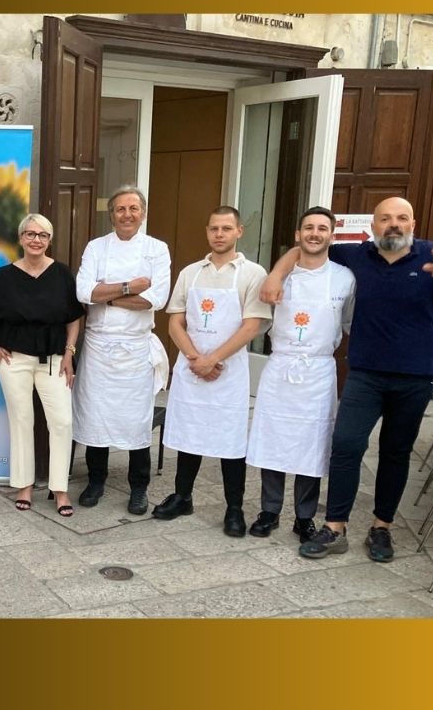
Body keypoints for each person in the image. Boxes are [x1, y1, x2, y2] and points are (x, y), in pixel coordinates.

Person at [262, 197, 433, 562]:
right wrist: (276, 275)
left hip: (416, 373)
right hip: (365, 373)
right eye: (385, 218)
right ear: (373, 226)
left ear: (413, 224)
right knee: (345, 445)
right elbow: (306, 248)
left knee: (395, 451)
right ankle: (335, 527)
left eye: (402, 218)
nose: (394, 224)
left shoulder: (432, 255)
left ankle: (381, 526)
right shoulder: (355, 256)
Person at [154, 206, 271, 536]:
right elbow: (174, 321)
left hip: (228, 372)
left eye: (226, 228)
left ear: (239, 232)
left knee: (230, 440)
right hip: (193, 368)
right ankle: (182, 497)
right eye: (214, 228)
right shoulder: (191, 272)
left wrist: (213, 358)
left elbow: (252, 326)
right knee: (189, 434)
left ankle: (234, 508)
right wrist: (196, 358)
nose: (219, 234)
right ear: (207, 232)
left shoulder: (253, 274)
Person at [245, 207, 355, 543]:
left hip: (318, 371)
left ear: (331, 235)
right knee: (274, 440)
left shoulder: (345, 278)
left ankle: (304, 516)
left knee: (313, 444)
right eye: (308, 227)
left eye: (322, 228)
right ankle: (269, 510)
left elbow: (350, 323)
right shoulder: (278, 277)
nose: (314, 234)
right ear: (298, 234)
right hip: (282, 366)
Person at [0, 214, 84, 516]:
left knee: (62, 422)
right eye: (30, 234)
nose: (36, 240)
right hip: (13, 360)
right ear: (20, 238)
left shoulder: (62, 274)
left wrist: (69, 353)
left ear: (49, 240)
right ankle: (24, 485)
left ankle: (60, 489)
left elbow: (74, 318)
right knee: (21, 421)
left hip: (54, 360)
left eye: (42, 235)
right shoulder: (3, 277)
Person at [72, 186, 171, 515]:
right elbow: (84, 292)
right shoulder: (96, 247)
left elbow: (156, 299)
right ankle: (95, 481)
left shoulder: (157, 249)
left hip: (135, 347)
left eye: (133, 208)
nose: (127, 214)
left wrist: (108, 296)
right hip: (99, 345)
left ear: (143, 213)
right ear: (111, 215)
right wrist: (130, 287)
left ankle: (139, 487)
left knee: (136, 421)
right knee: (95, 416)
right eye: (120, 209)